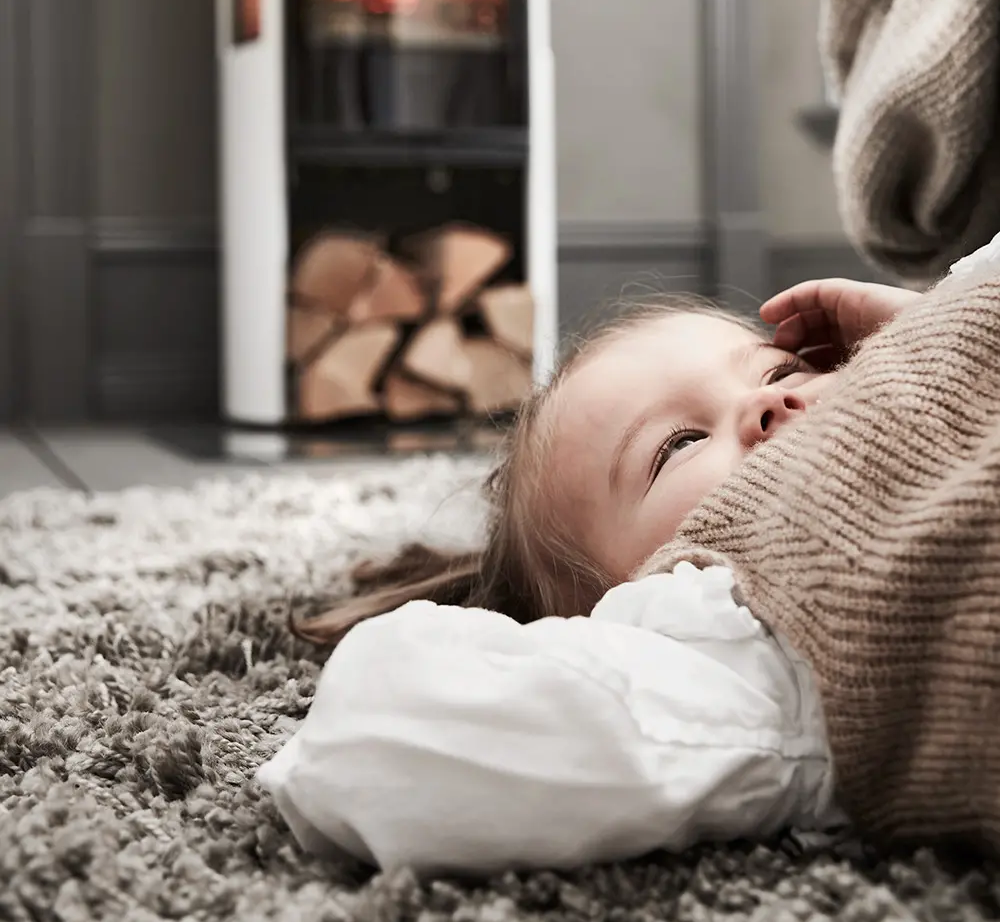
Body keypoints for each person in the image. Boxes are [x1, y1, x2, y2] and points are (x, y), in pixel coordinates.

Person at [258, 276, 918, 876]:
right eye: (680, 445)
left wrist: (937, 326)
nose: (769, 401)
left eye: (782, 368)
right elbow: (382, 747)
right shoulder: (737, 640)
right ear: (627, 613)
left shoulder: (928, 392)